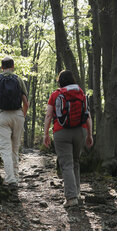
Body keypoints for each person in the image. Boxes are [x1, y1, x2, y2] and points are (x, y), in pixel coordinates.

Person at [43, 70, 93, 207]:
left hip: (61, 132)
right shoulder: (81, 93)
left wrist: (46, 134)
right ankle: (77, 193)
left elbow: (48, 116)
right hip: (80, 130)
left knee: (66, 164)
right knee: (75, 161)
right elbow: (87, 115)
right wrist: (90, 134)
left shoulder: (56, 95)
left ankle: (71, 198)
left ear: (60, 82)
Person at [0, 56, 29, 190]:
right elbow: (26, 103)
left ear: (1, 67)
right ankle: (15, 177)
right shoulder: (18, 80)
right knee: (15, 149)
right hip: (18, 115)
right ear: (13, 66)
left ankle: (11, 180)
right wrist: (22, 115)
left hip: (2, 115)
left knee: (5, 149)